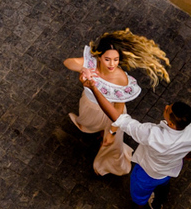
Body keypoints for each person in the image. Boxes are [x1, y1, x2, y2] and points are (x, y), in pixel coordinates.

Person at [82, 73, 191, 209]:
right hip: (170, 169)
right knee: (163, 184)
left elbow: (118, 118)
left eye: (168, 109)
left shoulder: (151, 134)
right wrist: (189, 155)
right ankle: (158, 206)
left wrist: (93, 88)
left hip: (146, 173)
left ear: (170, 123)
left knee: (138, 201)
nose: (166, 106)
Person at [63, 29, 170, 176]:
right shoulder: (90, 64)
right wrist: (84, 70)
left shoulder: (121, 79)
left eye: (116, 59)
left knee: (110, 145)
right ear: (99, 57)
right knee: (87, 123)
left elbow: (119, 109)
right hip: (89, 105)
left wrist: (112, 131)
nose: (112, 64)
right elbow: (68, 63)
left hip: (112, 115)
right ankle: (96, 131)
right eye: (107, 59)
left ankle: (108, 165)